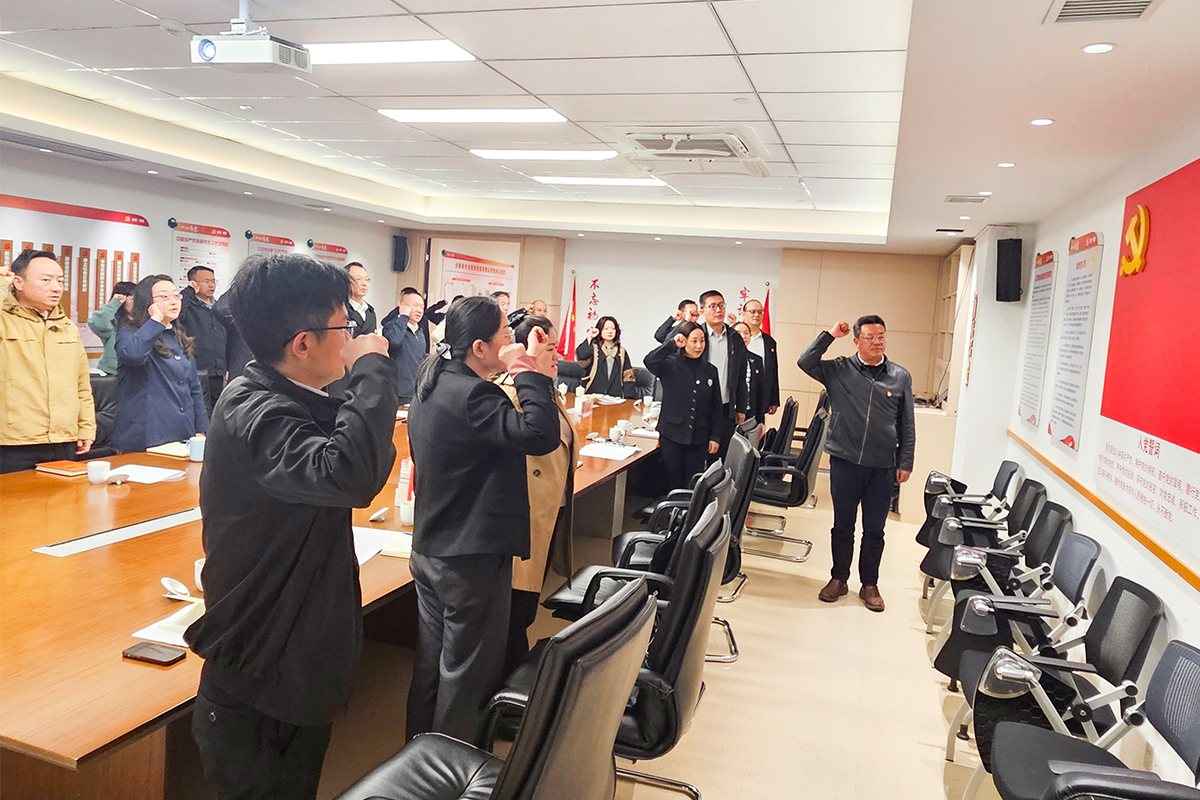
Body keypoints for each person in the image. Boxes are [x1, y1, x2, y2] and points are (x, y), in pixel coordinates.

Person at [184, 253, 398, 800]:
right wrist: (372, 369)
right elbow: (350, 475)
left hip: (291, 658)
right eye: (345, 329)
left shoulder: (293, 396)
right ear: (303, 343)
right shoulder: (254, 408)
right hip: (260, 668)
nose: (354, 339)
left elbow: (355, 452)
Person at [406, 296, 559, 744]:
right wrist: (526, 370)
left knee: (432, 665)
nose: (511, 343)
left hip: (433, 546)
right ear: (479, 348)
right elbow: (540, 434)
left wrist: (522, 361)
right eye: (505, 337)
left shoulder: (433, 384)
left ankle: (418, 756)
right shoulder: (474, 393)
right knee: (468, 673)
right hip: (468, 554)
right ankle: (452, 767)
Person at [798, 316, 915, 613]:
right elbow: (805, 361)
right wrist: (829, 335)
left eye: (881, 336)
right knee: (843, 525)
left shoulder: (899, 376)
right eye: (870, 337)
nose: (877, 342)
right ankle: (838, 578)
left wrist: (906, 461)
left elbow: (907, 423)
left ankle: (870, 584)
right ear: (856, 341)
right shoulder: (839, 369)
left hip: (882, 466)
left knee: (875, 529)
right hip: (845, 461)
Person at [494, 313, 577, 673]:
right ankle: (507, 683)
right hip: (523, 519)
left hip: (546, 513)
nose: (558, 356)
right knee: (515, 613)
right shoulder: (512, 392)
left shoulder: (544, 389)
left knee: (525, 609)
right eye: (550, 348)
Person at [0, 249, 95, 473]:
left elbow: (81, 384)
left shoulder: (66, 326)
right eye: (46, 280)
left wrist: (86, 428)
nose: (56, 287)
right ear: (18, 282)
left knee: (64, 496)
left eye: (60, 280)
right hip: (14, 442)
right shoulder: (4, 321)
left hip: (63, 440)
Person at [112, 275, 208, 452]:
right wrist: (155, 320)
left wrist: (201, 429)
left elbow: (194, 387)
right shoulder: (129, 332)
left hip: (182, 433)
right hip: (146, 436)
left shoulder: (177, 335)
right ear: (148, 302)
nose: (174, 301)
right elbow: (134, 355)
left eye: (176, 295)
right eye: (164, 296)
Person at [644, 321, 722, 491]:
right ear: (684, 341)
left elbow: (716, 407)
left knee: (693, 483)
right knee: (672, 481)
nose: (699, 346)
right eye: (694, 341)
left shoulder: (710, 370)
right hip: (672, 434)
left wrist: (715, 436)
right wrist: (671, 344)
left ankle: (689, 508)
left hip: (699, 436)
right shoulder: (670, 364)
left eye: (702, 341)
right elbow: (649, 360)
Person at [698, 290, 749, 459]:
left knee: (721, 457)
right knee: (699, 456)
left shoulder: (735, 337)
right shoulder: (696, 335)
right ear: (702, 311)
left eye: (721, 305)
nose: (718, 310)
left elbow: (741, 375)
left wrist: (741, 407)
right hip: (700, 406)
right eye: (712, 306)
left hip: (726, 406)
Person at [179, 266, 228, 418]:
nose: (211, 285)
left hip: (219, 371)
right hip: (197, 369)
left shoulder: (219, 307)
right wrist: (188, 292)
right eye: (206, 281)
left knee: (219, 414)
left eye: (213, 281)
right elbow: (178, 315)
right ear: (193, 283)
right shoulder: (187, 307)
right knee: (200, 413)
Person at [381, 286, 427, 404]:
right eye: (415, 305)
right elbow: (394, 342)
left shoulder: (420, 332)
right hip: (397, 390)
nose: (419, 310)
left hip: (415, 391)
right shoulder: (391, 326)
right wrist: (403, 317)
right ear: (402, 305)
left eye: (422, 307)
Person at [575, 315, 636, 398]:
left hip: (615, 397)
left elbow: (628, 377)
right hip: (594, 395)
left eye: (613, 329)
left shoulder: (622, 351)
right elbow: (582, 357)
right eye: (606, 329)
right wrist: (590, 337)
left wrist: (629, 399)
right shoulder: (594, 348)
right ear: (600, 330)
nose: (610, 331)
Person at [87, 280, 136, 376]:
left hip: (136, 372)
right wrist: (115, 303)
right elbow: (97, 323)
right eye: (133, 298)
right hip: (113, 372)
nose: (136, 303)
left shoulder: (143, 319)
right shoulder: (113, 320)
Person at [743, 298, 780, 417]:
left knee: (757, 426)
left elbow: (773, 371)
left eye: (760, 312)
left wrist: (774, 400)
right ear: (744, 314)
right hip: (740, 395)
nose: (756, 315)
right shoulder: (735, 337)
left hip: (760, 396)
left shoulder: (769, 342)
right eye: (752, 311)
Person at [733, 321, 770, 425]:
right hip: (730, 412)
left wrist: (760, 420)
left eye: (746, 333)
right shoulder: (726, 358)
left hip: (750, 411)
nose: (743, 336)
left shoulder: (756, 360)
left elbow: (760, 391)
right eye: (738, 333)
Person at [345, 262, 377, 336]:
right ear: (346, 281)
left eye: (366, 279)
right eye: (358, 279)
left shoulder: (370, 312)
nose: (364, 283)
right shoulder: (340, 309)